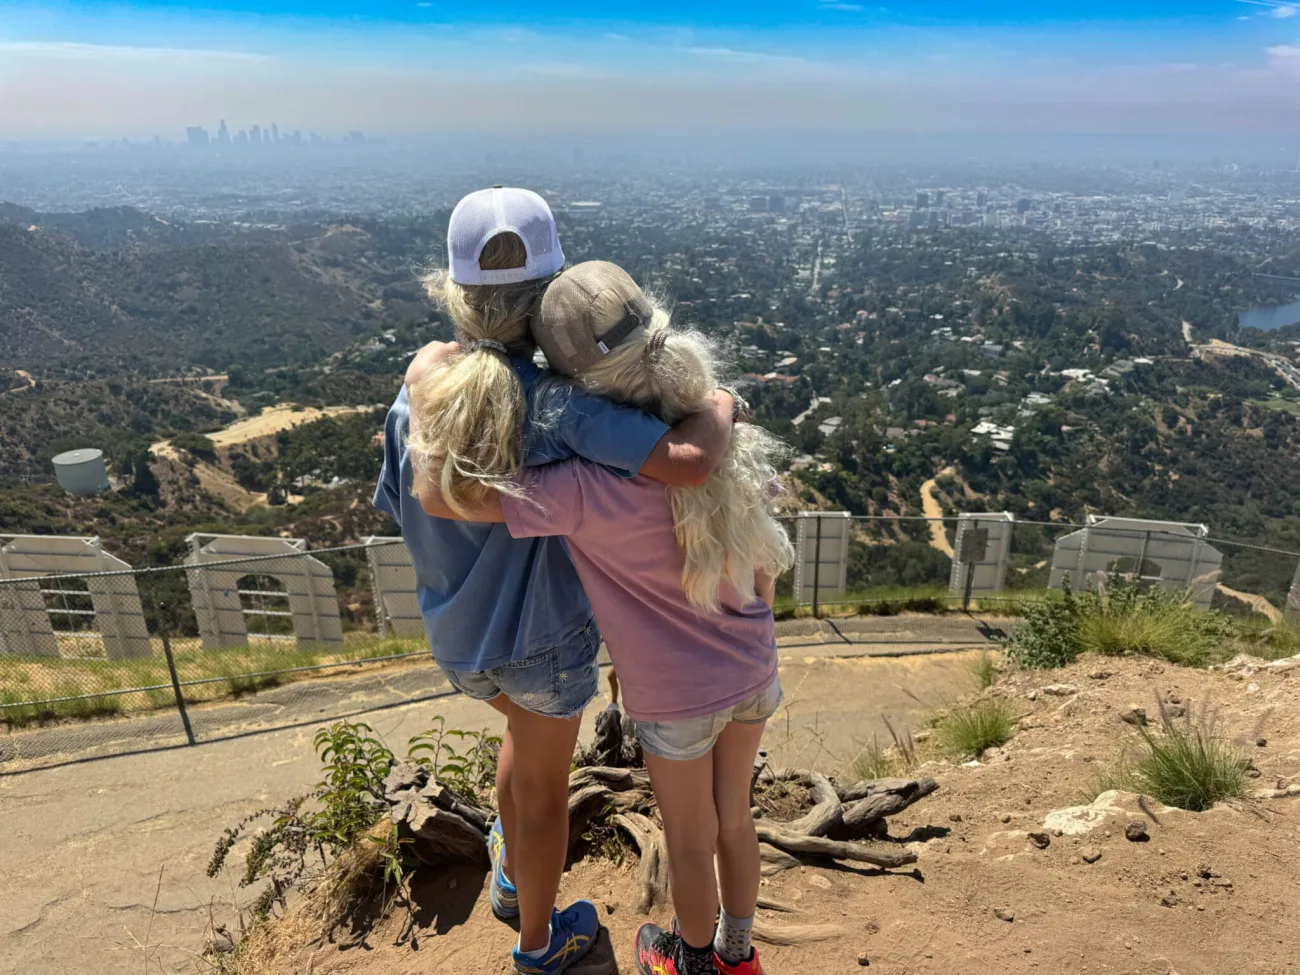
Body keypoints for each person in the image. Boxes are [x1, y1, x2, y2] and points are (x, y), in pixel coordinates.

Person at [375, 188, 737, 975]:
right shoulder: (558, 406)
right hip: (542, 644)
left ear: (455, 292)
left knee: (522, 745)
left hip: (456, 640)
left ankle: (510, 876)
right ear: (554, 292)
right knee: (544, 791)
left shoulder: (416, 397)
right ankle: (539, 942)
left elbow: (405, 505)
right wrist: (720, 404)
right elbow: (687, 461)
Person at [420, 261, 795, 975]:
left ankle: (688, 959)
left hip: (675, 697)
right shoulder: (727, 447)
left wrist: (423, 388)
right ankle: (737, 955)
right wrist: (721, 404)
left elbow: (446, 498)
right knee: (736, 819)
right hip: (754, 668)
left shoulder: (584, 488)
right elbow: (766, 559)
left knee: (689, 835)